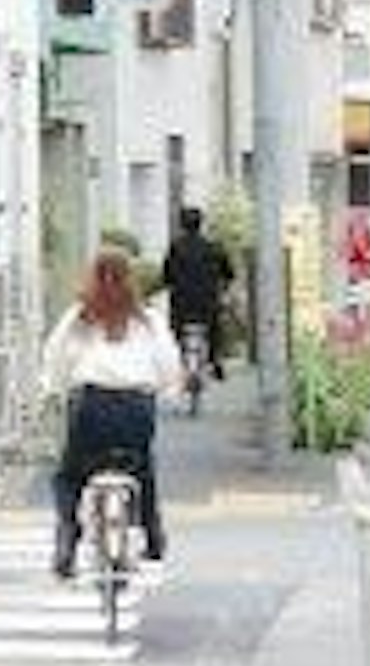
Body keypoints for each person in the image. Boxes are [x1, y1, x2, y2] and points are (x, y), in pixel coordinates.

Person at [42, 244, 178, 574]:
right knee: (142, 469)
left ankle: (67, 539)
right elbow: (168, 363)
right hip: (137, 407)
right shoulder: (147, 319)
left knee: (68, 477)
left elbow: (56, 359)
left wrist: (55, 390)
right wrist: (166, 389)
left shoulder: (79, 317)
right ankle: (153, 536)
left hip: (91, 406)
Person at [157, 204, 233, 408]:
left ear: (182, 225)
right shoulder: (214, 247)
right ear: (201, 224)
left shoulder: (176, 247)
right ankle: (216, 361)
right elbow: (229, 274)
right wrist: (222, 285)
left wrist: (168, 283)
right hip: (208, 302)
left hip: (181, 303)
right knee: (215, 330)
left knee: (175, 333)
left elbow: (166, 275)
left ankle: (177, 366)